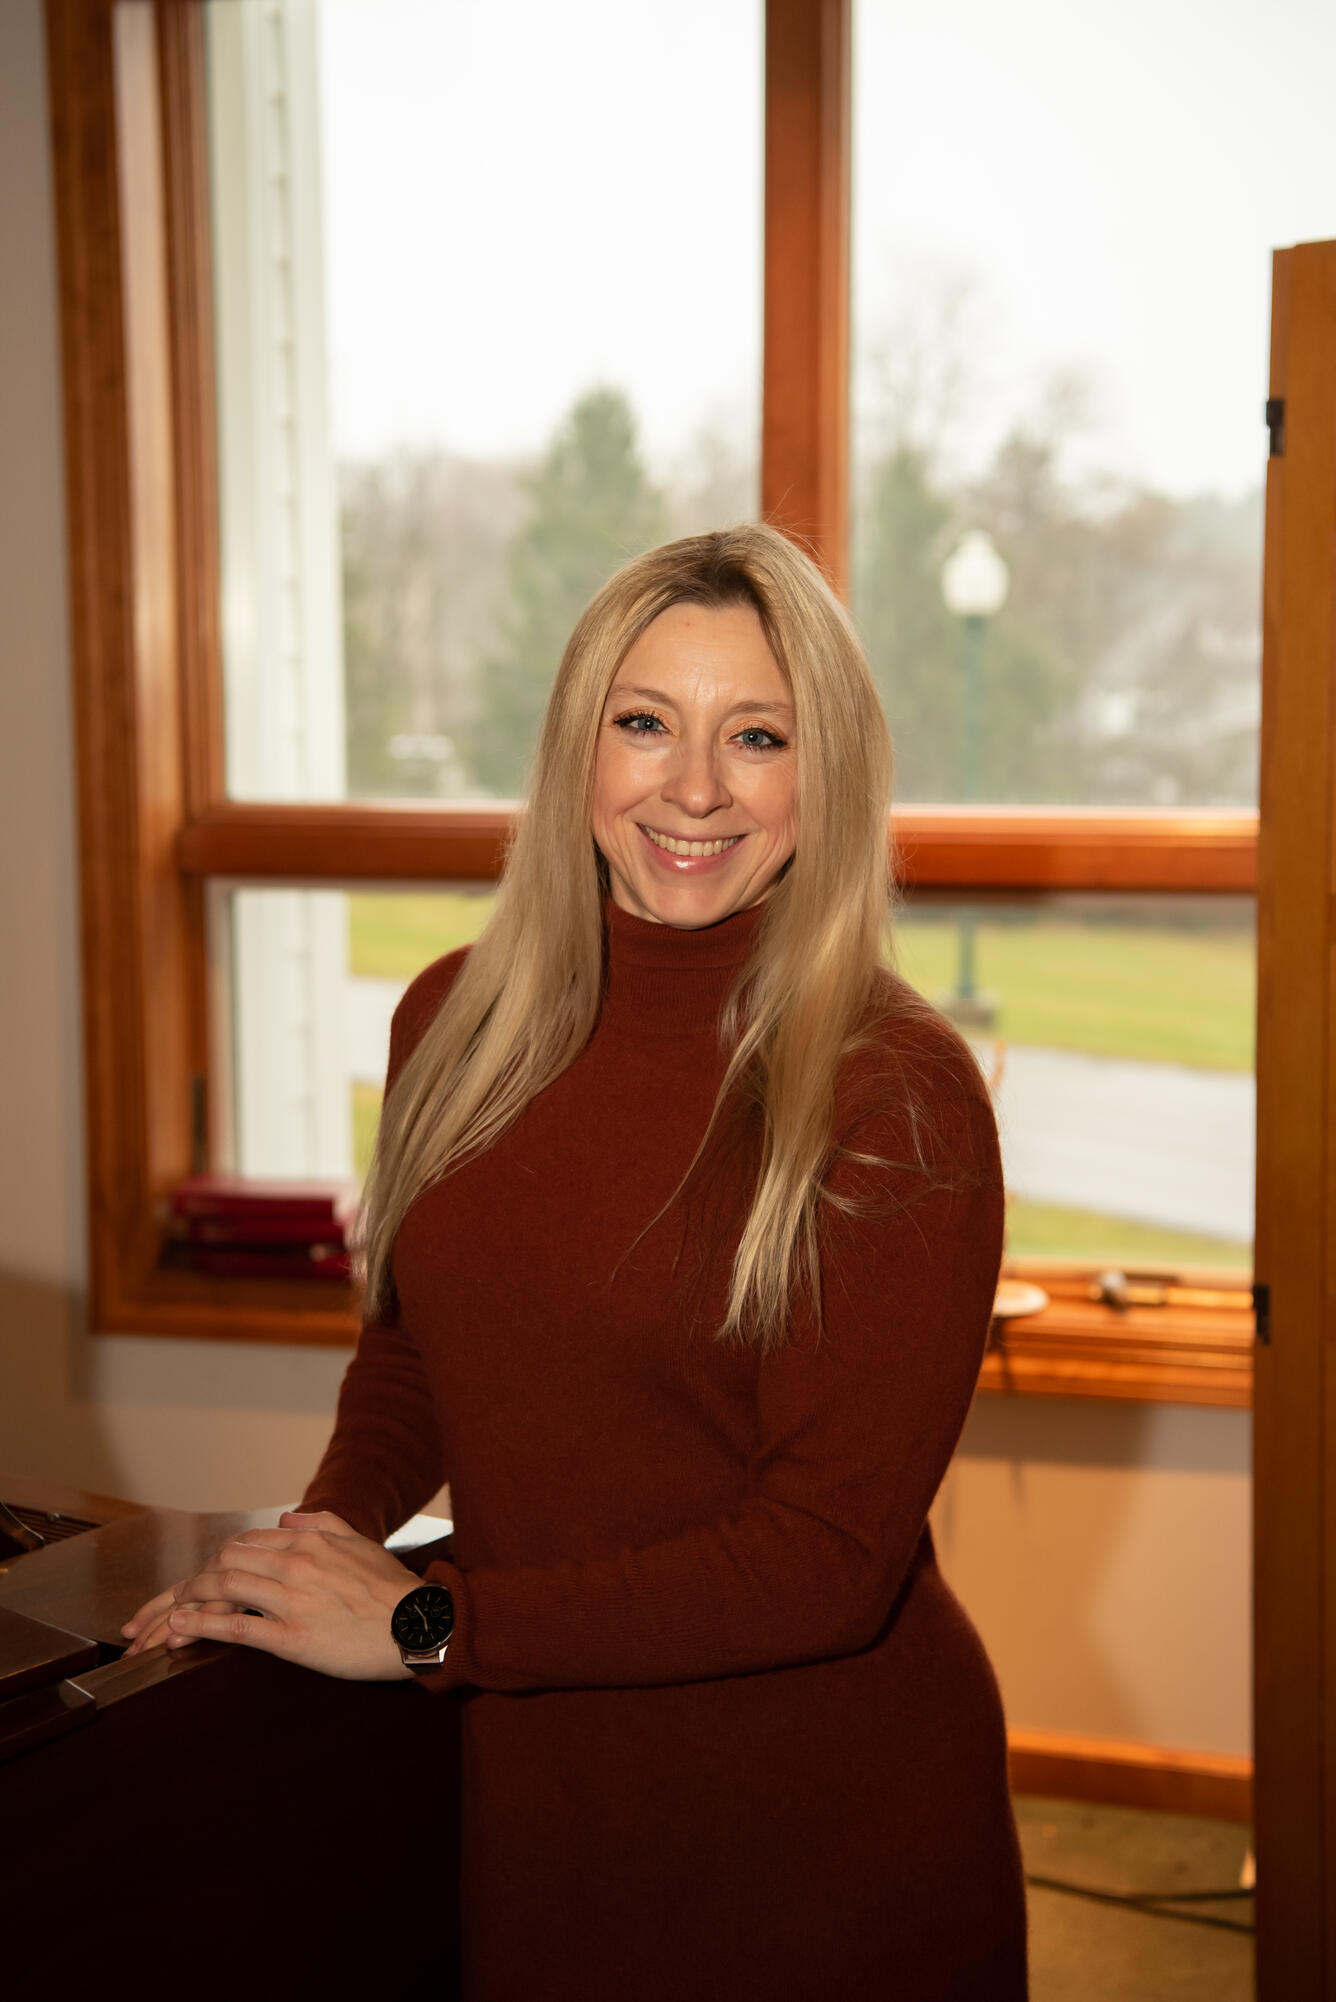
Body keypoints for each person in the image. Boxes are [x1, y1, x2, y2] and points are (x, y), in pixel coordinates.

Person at [124, 525, 1028, 1999]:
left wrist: (424, 1622)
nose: (692, 788)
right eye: (645, 723)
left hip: (822, 1832)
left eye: (757, 736)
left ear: (829, 776)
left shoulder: (892, 1087)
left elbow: (823, 1560)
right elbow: (421, 1348)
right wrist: (314, 1549)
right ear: (578, 750)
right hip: (540, 1780)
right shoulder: (455, 1021)